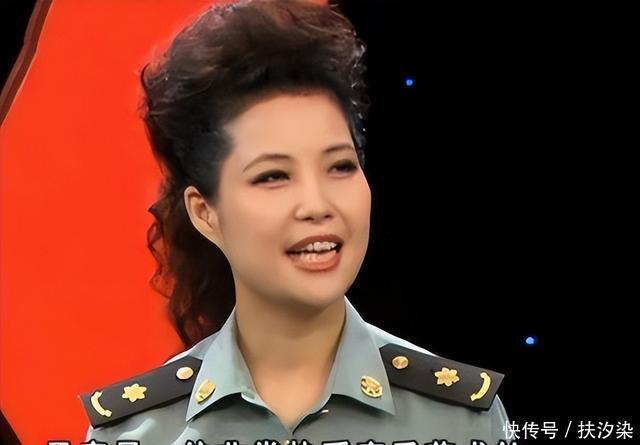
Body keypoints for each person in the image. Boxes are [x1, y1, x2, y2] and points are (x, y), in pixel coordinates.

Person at [81, 0, 510, 443]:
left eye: (340, 167)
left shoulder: (459, 421)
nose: (317, 204)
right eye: (273, 176)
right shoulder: (137, 432)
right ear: (205, 213)